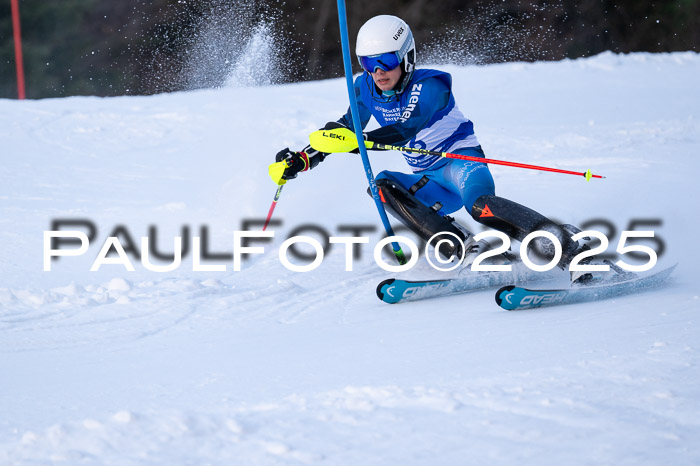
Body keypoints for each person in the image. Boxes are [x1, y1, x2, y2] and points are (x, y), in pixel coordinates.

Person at [274, 14, 603, 284]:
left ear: (407, 57)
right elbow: (346, 127)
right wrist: (303, 159)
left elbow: (406, 129)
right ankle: (462, 247)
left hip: (462, 166)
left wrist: (361, 144)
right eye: (368, 63)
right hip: (430, 181)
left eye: (387, 61)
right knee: (382, 186)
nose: (378, 72)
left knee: (480, 207)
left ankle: (570, 248)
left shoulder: (430, 86)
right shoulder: (365, 87)